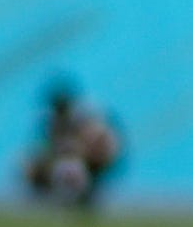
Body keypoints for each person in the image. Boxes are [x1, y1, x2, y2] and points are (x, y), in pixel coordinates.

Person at [22, 76, 125, 213]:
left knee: (72, 168)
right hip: (73, 159)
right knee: (63, 167)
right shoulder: (53, 121)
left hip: (95, 157)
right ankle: (63, 198)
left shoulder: (86, 117)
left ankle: (80, 198)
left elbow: (101, 141)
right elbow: (47, 145)